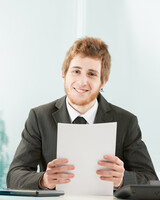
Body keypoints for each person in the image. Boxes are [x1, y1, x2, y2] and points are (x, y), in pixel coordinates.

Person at [7, 37, 158, 190]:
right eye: (76, 71)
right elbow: (14, 176)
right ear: (64, 73)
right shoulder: (39, 117)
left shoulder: (126, 122)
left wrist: (123, 179)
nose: (82, 81)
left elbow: (151, 180)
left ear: (103, 81)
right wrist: (44, 180)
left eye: (92, 74)